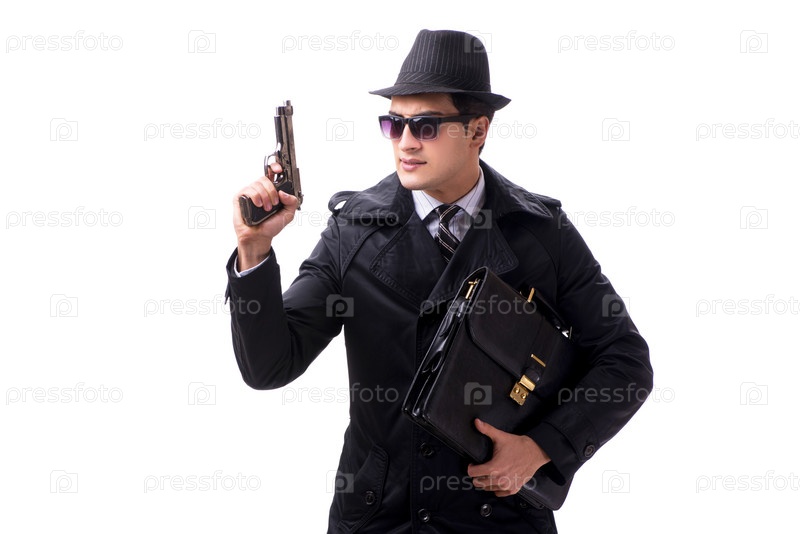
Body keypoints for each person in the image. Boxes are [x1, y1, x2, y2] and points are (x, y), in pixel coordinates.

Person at [225, 29, 653, 534]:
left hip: (500, 518)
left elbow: (624, 361)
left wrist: (542, 448)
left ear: (478, 131)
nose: (405, 142)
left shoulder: (542, 233)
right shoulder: (353, 230)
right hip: (380, 517)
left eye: (426, 126)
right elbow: (270, 366)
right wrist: (254, 250)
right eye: (394, 123)